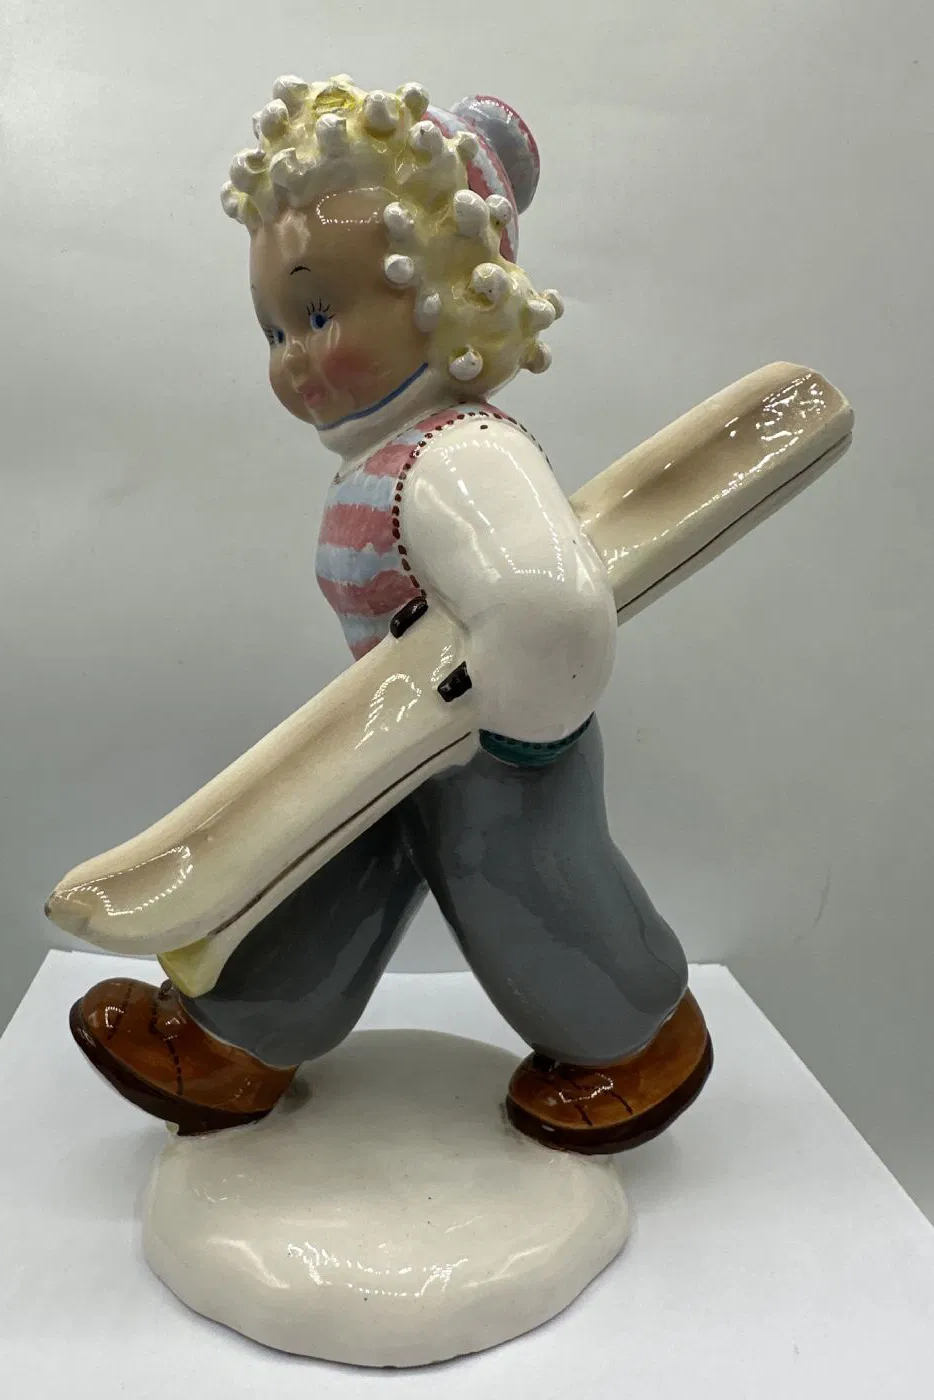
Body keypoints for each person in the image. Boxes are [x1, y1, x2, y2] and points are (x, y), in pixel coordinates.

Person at [69, 76, 712, 1152]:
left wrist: (496, 722)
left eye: (317, 314)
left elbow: (552, 604)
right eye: (274, 327)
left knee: (529, 899)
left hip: (500, 758)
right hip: (401, 735)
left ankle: (635, 1035)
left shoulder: (460, 455)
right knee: (324, 870)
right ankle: (240, 1037)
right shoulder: (392, 458)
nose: (291, 356)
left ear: (443, 295)